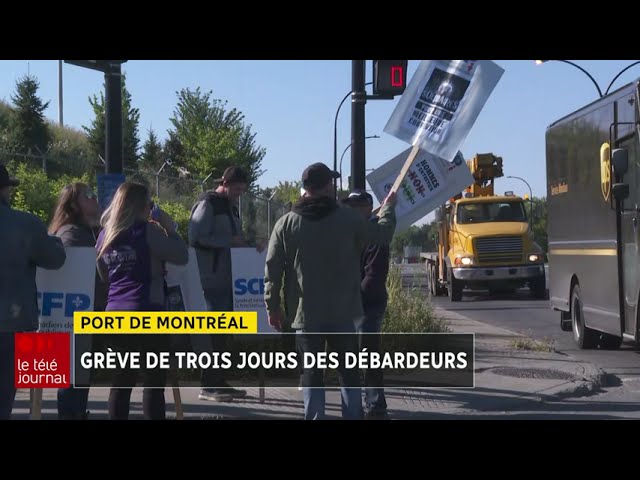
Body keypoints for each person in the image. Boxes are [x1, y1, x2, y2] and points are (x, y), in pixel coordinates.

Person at [264, 163, 397, 420]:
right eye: (331, 183)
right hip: (343, 313)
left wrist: (273, 307)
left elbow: (272, 269)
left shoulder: (286, 223)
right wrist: (389, 206)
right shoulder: (348, 218)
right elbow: (382, 235)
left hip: (306, 314)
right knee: (348, 373)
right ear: (326, 187)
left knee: (312, 374)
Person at [96, 182, 188, 420]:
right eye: (151, 204)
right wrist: (171, 228)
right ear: (141, 205)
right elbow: (181, 255)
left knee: (121, 381)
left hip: (115, 314)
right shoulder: (148, 231)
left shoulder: (106, 235)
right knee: (154, 380)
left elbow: (103, 274)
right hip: (148, 310)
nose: (151, 208)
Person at [189, 166, 262, 402]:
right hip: (210, 278)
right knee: (213, 331)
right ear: (225, 183)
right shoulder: (208, 204)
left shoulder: (230, 207)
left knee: (222, 333)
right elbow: (196, 236)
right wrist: (228, 241)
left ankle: (218, 379)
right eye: (237, 189)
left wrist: (251, 244)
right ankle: (207, 384)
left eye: (243, 190)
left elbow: (235, 239)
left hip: (228, 278)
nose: (240, 193)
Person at [0, 165, 66, 419]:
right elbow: (55, 258)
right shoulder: (25, 223)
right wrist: (55, 239)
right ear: (5, 190)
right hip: (11, 325)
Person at [49, 182, 107, 420]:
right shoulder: (70, 234)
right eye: (89, 195)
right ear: (74, 204)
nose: (95, 198)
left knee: (80, 376)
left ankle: (76, 412)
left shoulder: (86, 231)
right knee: (73, 376)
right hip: (76, 319)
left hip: (90, 314)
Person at [342, 189, 390, 420]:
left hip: (367, 306)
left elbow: (372, 278)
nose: (349, 211)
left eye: (354, 206)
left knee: (368, 355)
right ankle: (365, 405)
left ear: (367, 209)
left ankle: (376, 407)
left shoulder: (374, 235)